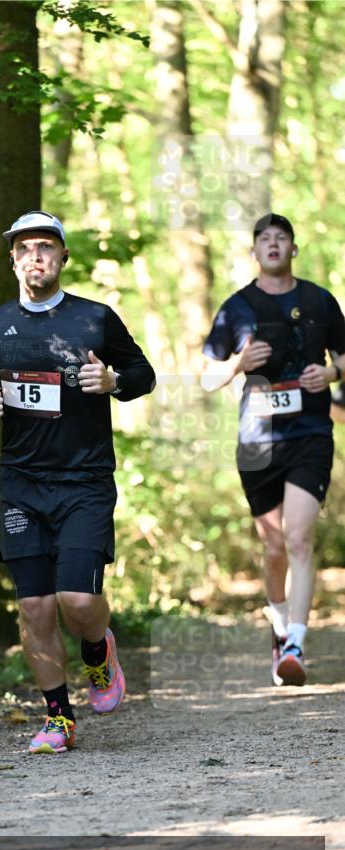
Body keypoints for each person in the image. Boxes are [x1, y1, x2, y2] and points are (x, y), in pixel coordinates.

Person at [0, 211, 155, 753]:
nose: (35, 256)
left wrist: (115, 381)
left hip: (84, 481)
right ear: (13, 259)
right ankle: (57, 718)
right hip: (21, 482)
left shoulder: (95, 319)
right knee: (35, 608)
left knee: (78, 598)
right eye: (24, 249)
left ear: (63, 256)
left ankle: (99, 651)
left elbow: (144, 374)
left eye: (45, 247)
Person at [202, 213, 345, 686]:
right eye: (264, 239)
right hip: (258, 441)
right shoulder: (236, 307)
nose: (273, 245)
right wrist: (240, 361)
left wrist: (331, 375)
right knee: (274, 544)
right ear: (254, 252)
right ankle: (280, 626)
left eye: (282, 238)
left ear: (293, 249)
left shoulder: (320, 301)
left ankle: (297, 645)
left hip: (309, 434)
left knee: (300, 536)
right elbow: (206, 377)